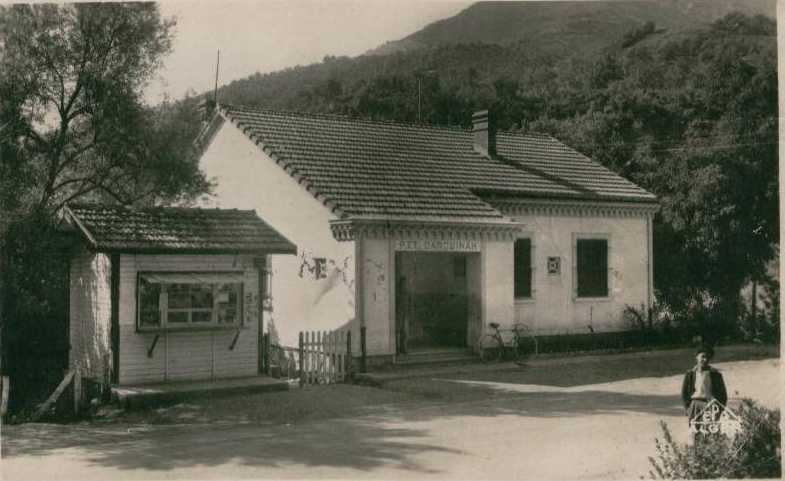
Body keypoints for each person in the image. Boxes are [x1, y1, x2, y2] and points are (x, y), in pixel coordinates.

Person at [681, 345, 728, 427]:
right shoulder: (690, 374)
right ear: (696, 357)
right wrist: (688, 408)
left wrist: (719, 409)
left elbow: (722, 394)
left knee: (710, 431)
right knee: (695, 430)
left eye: (708, 358)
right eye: (702, 357)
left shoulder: (715, 374)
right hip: (695, 405)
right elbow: (684, 393)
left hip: (710, 405)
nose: (705, 360)